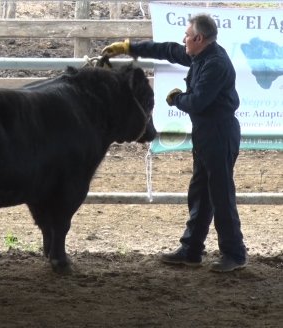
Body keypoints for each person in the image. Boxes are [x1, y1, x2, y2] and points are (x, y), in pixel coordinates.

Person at [102, 14, 247, 272]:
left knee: (221, 194)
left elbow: (198, 101)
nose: (184, 40)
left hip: (219, 133)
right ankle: (191, 250)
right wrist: (129, 47)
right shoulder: (202, 54)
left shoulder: (215, 64)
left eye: (187, 35)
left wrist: (176, 98)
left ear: (199, 39)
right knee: (200, 192)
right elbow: (167, 50)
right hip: (208, 134)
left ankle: (234, 254)